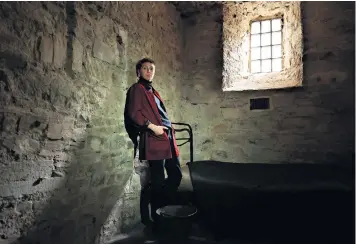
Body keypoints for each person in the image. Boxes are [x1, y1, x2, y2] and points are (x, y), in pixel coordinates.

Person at [124, 57, 182, 228]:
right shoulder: (137, 89)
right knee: (157, 180)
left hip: (167, 138)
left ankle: (158, 205)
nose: (149, 71)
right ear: (138, 71)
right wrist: (151, 126)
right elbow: (133, 114)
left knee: (176, 175)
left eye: (152, 69)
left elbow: (160, 114)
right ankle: (156, 218)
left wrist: (168, 127)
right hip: (155, 138)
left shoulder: (153, 91)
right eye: (145, 68)